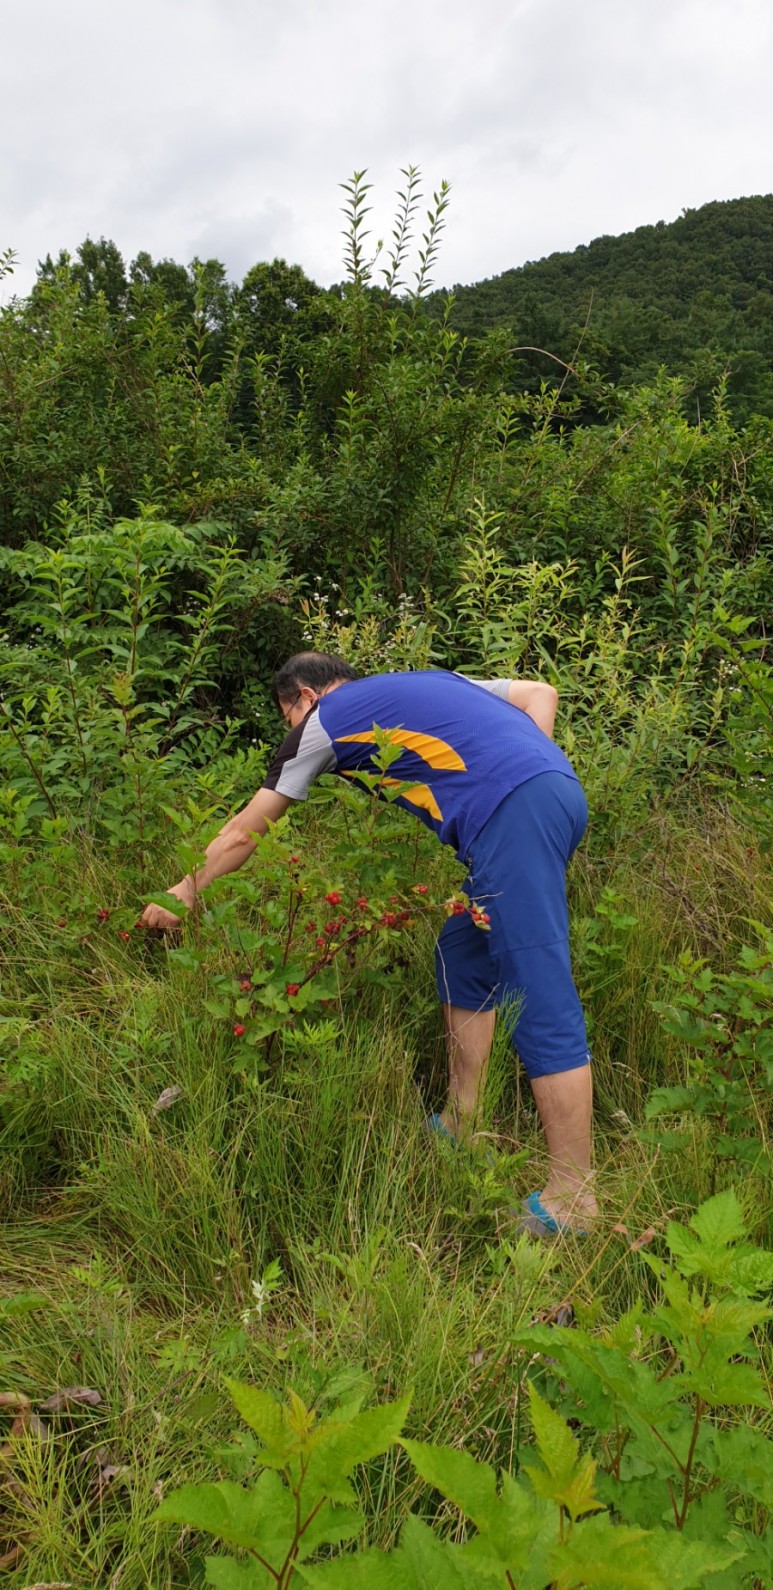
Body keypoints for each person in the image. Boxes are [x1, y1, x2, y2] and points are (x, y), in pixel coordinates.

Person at [141, 653, 597, 1235]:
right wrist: (526, 766)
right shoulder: (427, 682)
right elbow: (540, 692)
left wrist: (184, 891)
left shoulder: (322, 721)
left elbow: (244, 830)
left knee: (538, 989)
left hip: (515, 815)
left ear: (304, 698)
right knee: (462, 953)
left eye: (288, 718)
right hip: (553, 794)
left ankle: (575, 1198)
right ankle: (461, 1125)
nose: (293, 732)